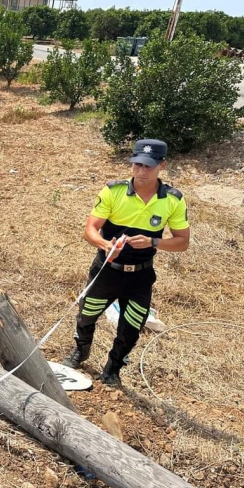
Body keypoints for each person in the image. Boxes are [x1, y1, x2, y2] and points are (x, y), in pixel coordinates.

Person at [62, 139, 190, 386]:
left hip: (140, 277)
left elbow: (182, 242)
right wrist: (104, 245)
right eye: (137, 164)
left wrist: (154, 243)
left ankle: (113, 369)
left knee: (131, 328)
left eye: (149, 166)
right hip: (106, 270)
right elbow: (90, 229)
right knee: (87, 314)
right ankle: (81, 351)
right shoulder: (113, 191)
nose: (142, 171)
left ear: (162, 165)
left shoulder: (173, 199)